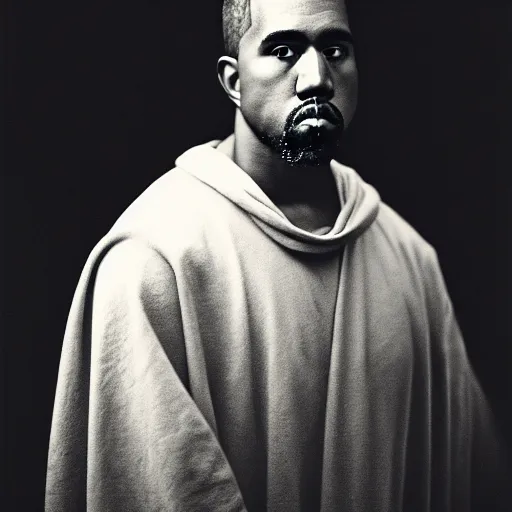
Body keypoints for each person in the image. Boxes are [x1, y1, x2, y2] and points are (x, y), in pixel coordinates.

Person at [45, 0, 507, 510]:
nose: (317, 78)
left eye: (335, 50)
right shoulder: (153, 260)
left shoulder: (411, 261)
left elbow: (475, 479)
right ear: (233, 80)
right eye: (284, 50)